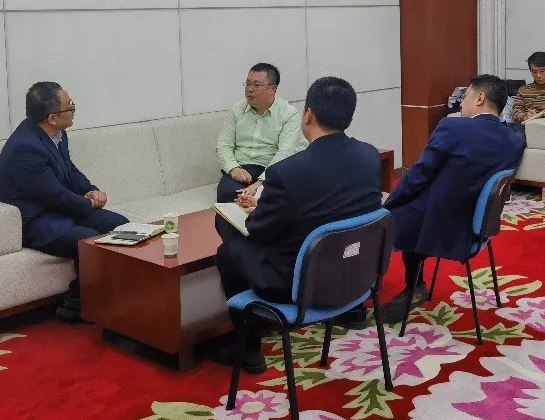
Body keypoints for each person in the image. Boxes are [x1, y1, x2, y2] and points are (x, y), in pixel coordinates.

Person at [214, 76, 384, 373]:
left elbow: (260, 230)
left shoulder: (287, 172)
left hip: (298, 285)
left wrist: (259, 212)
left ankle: (248, 347)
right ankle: (351, 312)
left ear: (308, 115)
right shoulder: (370, 156)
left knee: (228, 244)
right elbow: (330, 204)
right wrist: (269, 205)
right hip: (356, 277)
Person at [378, 74, 525, 323]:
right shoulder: (515, 140)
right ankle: (414, 285)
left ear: (480, 98)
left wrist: (390, 199)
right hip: (478, 226)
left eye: (465, 96)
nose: (461, 103)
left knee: (376, 218)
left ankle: (361, 301)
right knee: (410, 206)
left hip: (438, 223)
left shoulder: (452, 127)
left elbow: (419, 175)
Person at [0, 82, 127, 322]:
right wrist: (88, 205)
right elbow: (52, 195)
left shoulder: (56, 133)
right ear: (53, 117)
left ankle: (120, 292)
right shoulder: (25, 148)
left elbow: (69, 170)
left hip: (60, 210)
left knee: (122, 227)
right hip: (37, 220)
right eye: (70, 106)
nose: (74, 110)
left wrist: (90, 190)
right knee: (90, 241)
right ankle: (76, 302)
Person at [216, 63, 303, 203]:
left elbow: (285, 152)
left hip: (272, 169)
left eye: (256, 85)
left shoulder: (289, 114)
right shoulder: (237, 110)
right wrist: (233, 169)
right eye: (247, 84)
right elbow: (224, 144)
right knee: (228, 195)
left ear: (272, 89)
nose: (249, 89)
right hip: (241, 168)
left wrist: (261, 182)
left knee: (272, 198)